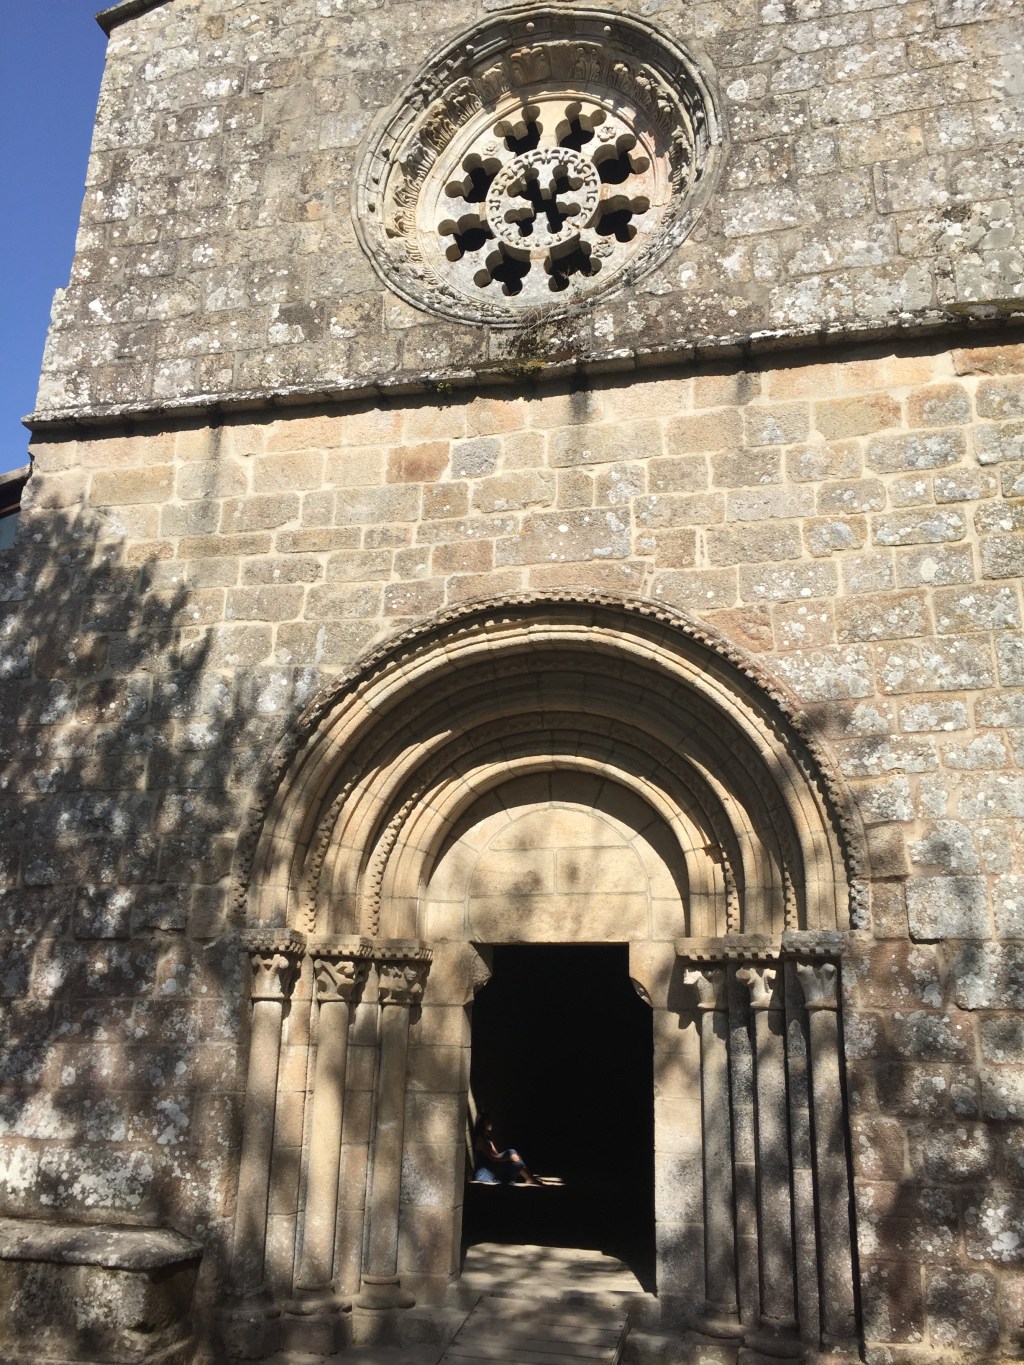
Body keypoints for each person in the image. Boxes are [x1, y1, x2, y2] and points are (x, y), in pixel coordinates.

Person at [471, 1112, 540, 1185]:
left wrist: (511, 1157)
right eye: (488, 1120)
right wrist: (509, 1158)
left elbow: (496, 1154)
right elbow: (492, 1157)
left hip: (492, 1167)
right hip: (484, 1172)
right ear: (483, 1123)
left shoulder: (487, 1136)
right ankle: (529, 1178)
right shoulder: (480, 1138)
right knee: (511, 1153)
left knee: (513, 1155)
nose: (491, 1122)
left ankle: (529, 1178)